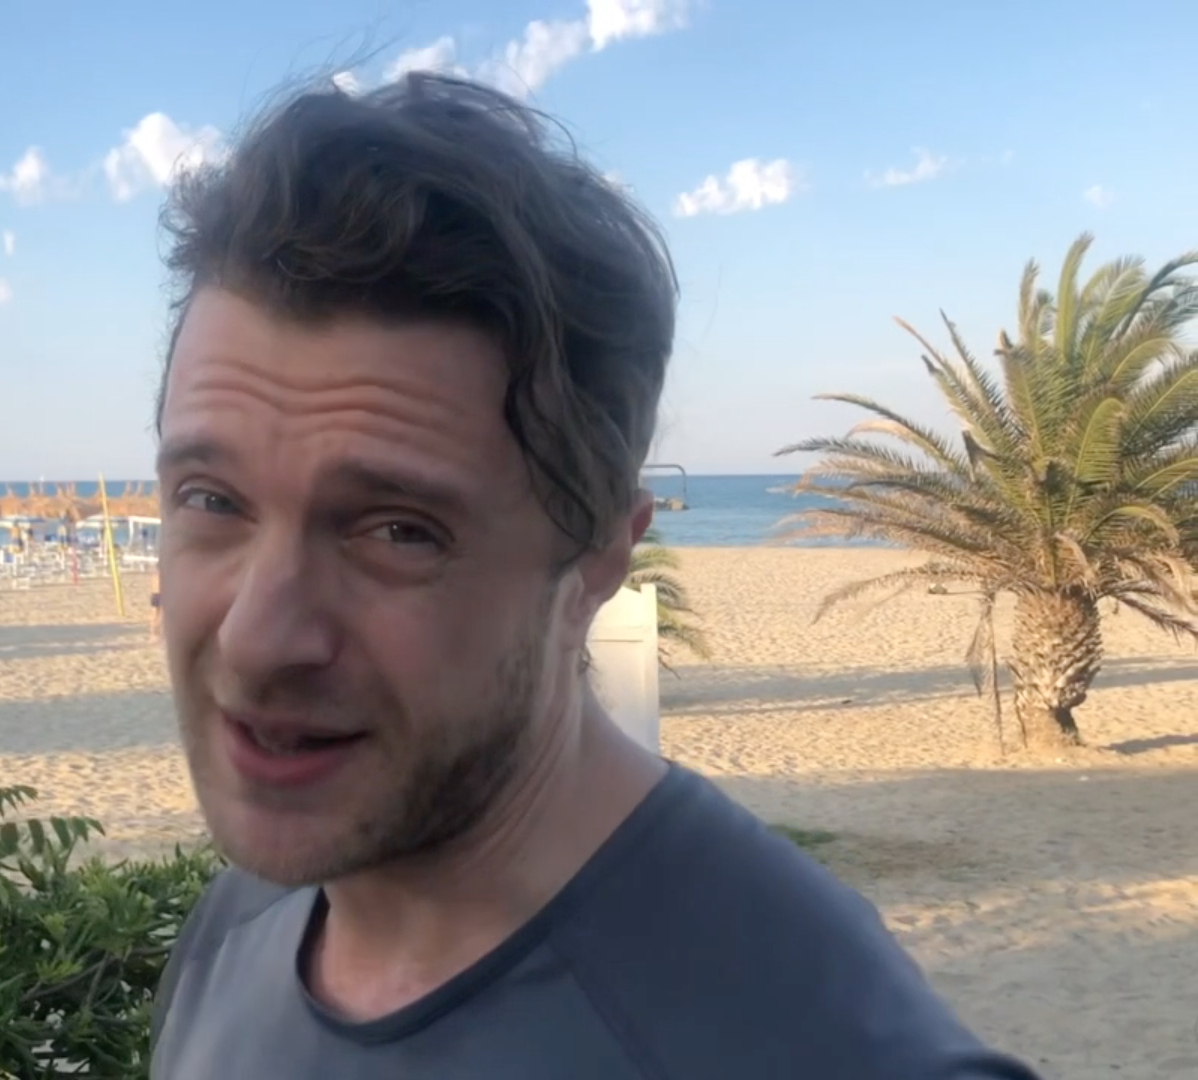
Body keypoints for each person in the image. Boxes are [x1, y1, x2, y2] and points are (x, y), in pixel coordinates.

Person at [144, 71, 1040, 1079]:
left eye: (397, 530)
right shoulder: (242, 918)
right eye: (211, 500)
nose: (257, 640)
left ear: (599, 558)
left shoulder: (823, 1047)